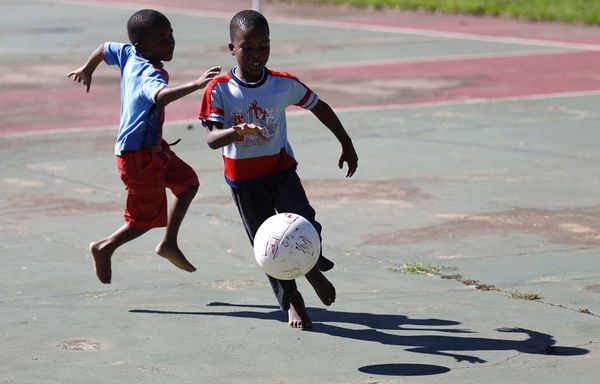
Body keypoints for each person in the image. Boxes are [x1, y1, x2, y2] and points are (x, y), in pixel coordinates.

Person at [199, 10, 358, 329]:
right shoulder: (218, 89)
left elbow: (320, 107)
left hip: (280, 170)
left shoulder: (282, 83)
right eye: (248, 48)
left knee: (307, 224)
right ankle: (293, 302)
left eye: (264, 46)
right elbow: (212, 139)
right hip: (244, 180)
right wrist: (237, 131)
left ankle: (311, 264)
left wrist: (346, 142)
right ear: (232, 49)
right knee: (268, 246)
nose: (257, 54)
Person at [68, 9, 221, 284]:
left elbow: (105, 48)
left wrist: (87, 68)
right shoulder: (149, 73)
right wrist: (197, 84)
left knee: (188, 184)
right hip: (138, 157)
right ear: (143, 46)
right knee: (143, 220)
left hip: (152, 150)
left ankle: (168, 244)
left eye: (171, 34)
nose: (170, 42)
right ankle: (104, 247)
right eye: (162, 39)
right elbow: (160, 96)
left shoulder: (129, 53)